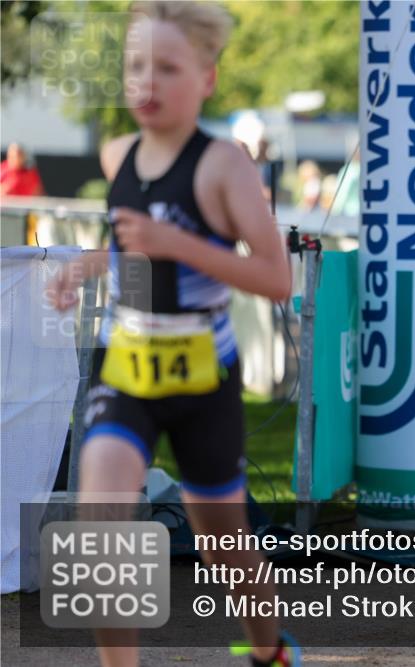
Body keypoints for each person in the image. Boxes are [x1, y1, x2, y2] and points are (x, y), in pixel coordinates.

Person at [45, 3, 298, 666]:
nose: (146, 83)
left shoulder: (223, 165)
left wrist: (177, 242)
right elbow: (133, 247)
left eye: (166, 67)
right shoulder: (118, 153)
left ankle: (268, 649)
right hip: (127, 363)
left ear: (207, 79)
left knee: (223, 543)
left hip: (202, 376)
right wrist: (87, 264)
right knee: (98, 521)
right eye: (135, 67)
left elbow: (276, 279)